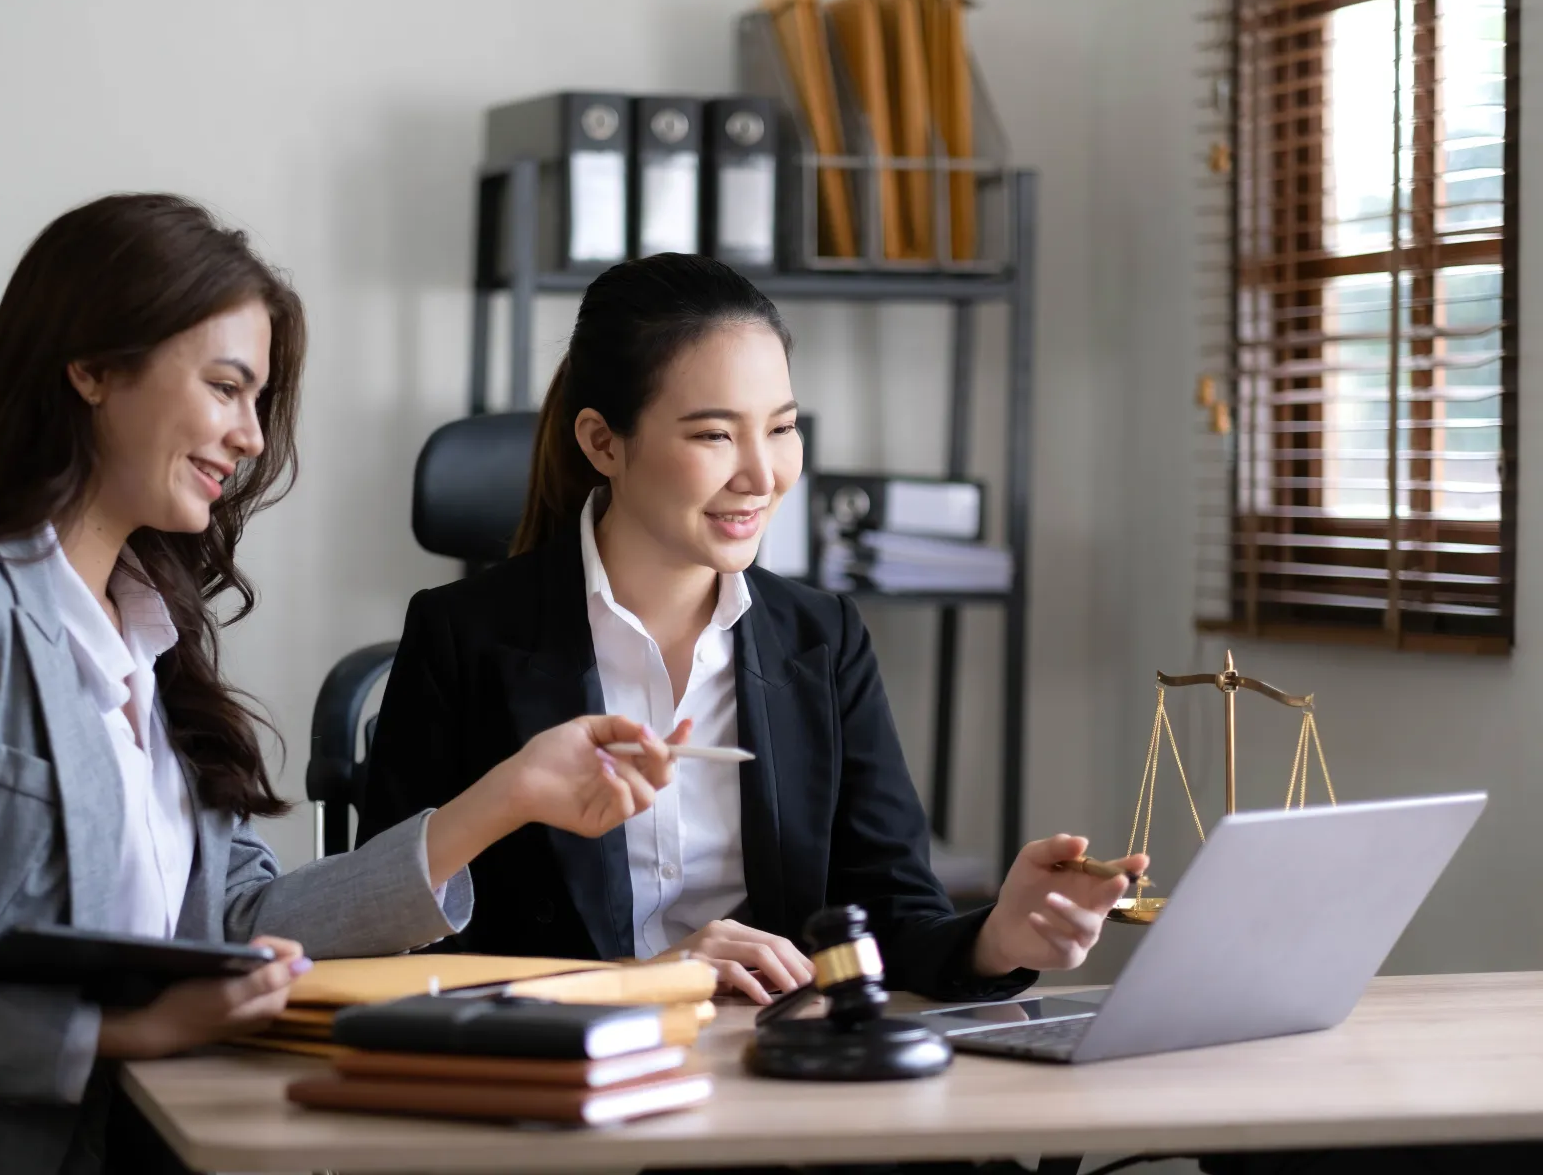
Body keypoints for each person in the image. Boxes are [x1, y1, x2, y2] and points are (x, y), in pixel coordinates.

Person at [0, 193, 680, 1175]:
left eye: (258, 401)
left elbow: (245, 928)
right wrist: (123, 1034)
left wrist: (510, 797)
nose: (250, 437)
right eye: (225, 387)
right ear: (91, 367)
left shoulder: (150, 641)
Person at [357, 252, 1147, 1006]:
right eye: (713, 434)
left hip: (769, 1079)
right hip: (561, 1093)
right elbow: (394, 945)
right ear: (603, 442)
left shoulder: (822, 638)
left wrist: (999, 937)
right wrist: (648, 982)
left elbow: (890, 919)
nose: (763, 475)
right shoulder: (463, 638)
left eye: (781, 428)